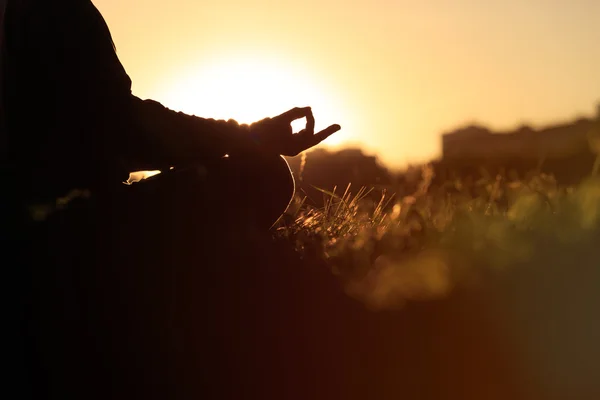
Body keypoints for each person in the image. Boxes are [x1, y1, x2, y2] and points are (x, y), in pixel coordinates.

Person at [0, 0, 340, 398]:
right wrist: (251, 137)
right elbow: (122, 127)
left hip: (32, 230)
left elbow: (100, 134)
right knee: (262, 174)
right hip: (60, 238)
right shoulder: (54, 10)